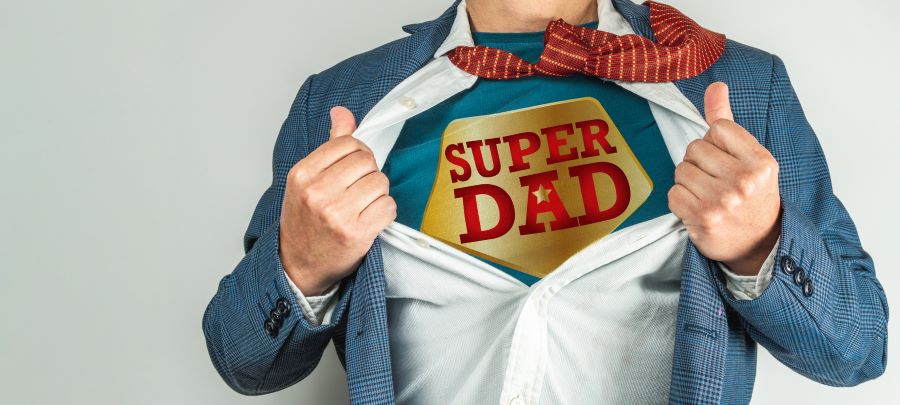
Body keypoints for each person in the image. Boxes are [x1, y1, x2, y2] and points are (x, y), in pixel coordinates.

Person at [201, 0, 888, 403]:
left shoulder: (740, 87)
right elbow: (245, 360)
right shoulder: (340, 100)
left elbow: (857, 348)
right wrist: (302, 266)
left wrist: (761, 242)